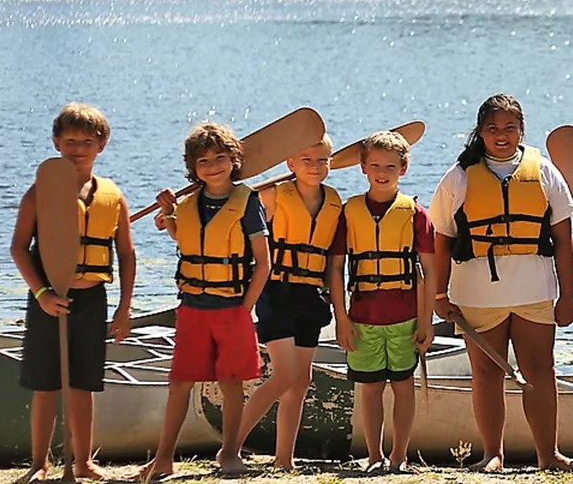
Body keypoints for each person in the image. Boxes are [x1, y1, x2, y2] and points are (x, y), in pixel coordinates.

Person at [430, 94, 573, 472]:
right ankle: (492, 454)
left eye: (509, 127)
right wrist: (439, 293)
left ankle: (549, 455)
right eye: (493, 128)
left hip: (534, 292)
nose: (501, 135)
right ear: (480, 132)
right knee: (486, 374)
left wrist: (567, 297)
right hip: (477, 295)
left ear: (521, 130)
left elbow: (564, 239)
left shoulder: (545, 172)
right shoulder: (460, 176)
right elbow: (442, 240)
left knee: (541, 371)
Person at [8, 103, 136, 482]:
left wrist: (124, 309)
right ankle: (39, 464)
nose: (78, 148)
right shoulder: (39, 193)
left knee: (83, 385)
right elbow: (19, 247)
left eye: (87, 141)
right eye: (70, 141)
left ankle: (81, 463)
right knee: (46, 385)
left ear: (102, 145)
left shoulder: (113, 196)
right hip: (49, 299)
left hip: (92, 298)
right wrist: (43, 294)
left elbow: (126, 254)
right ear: (56, 143)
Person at [139, 122, 271, 479]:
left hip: (231, 308)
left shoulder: (248, 202)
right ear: (193, 168)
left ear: (234, 160)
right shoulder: (189, 204)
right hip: (193, 307)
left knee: (230, 383)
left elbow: (264, 262)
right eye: (203, 161)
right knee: (180, 382)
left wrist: (245, 309)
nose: (212, 166)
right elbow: (184, 240)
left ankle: (230, 453)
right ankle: (163, 457)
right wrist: (168, 212)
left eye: (220, 158)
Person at [227, 137, 340, 470]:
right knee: (284, 376)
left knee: (300, 381)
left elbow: (334, 262)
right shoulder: (272, 195)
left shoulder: (334, 202)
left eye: (323, 160)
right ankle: (229, 449)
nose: (316, 166)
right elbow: (237, 222)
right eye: (307, 159)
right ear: (289, 164)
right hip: (276, 291)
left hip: (310, 296)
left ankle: (283, 460)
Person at [335, 130, 435, 472]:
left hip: (405, 318)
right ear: (363, 167)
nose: (382, 172)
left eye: (390, 166)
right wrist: (341, 319)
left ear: (403, 169)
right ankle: (375, 455)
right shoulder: (349, 212)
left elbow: (430, 274)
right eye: (375, 165)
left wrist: (427, 322)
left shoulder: (416, 214)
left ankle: (399, 456)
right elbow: (335, 271)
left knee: (403, 386)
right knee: (371, 388)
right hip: (362, 317)